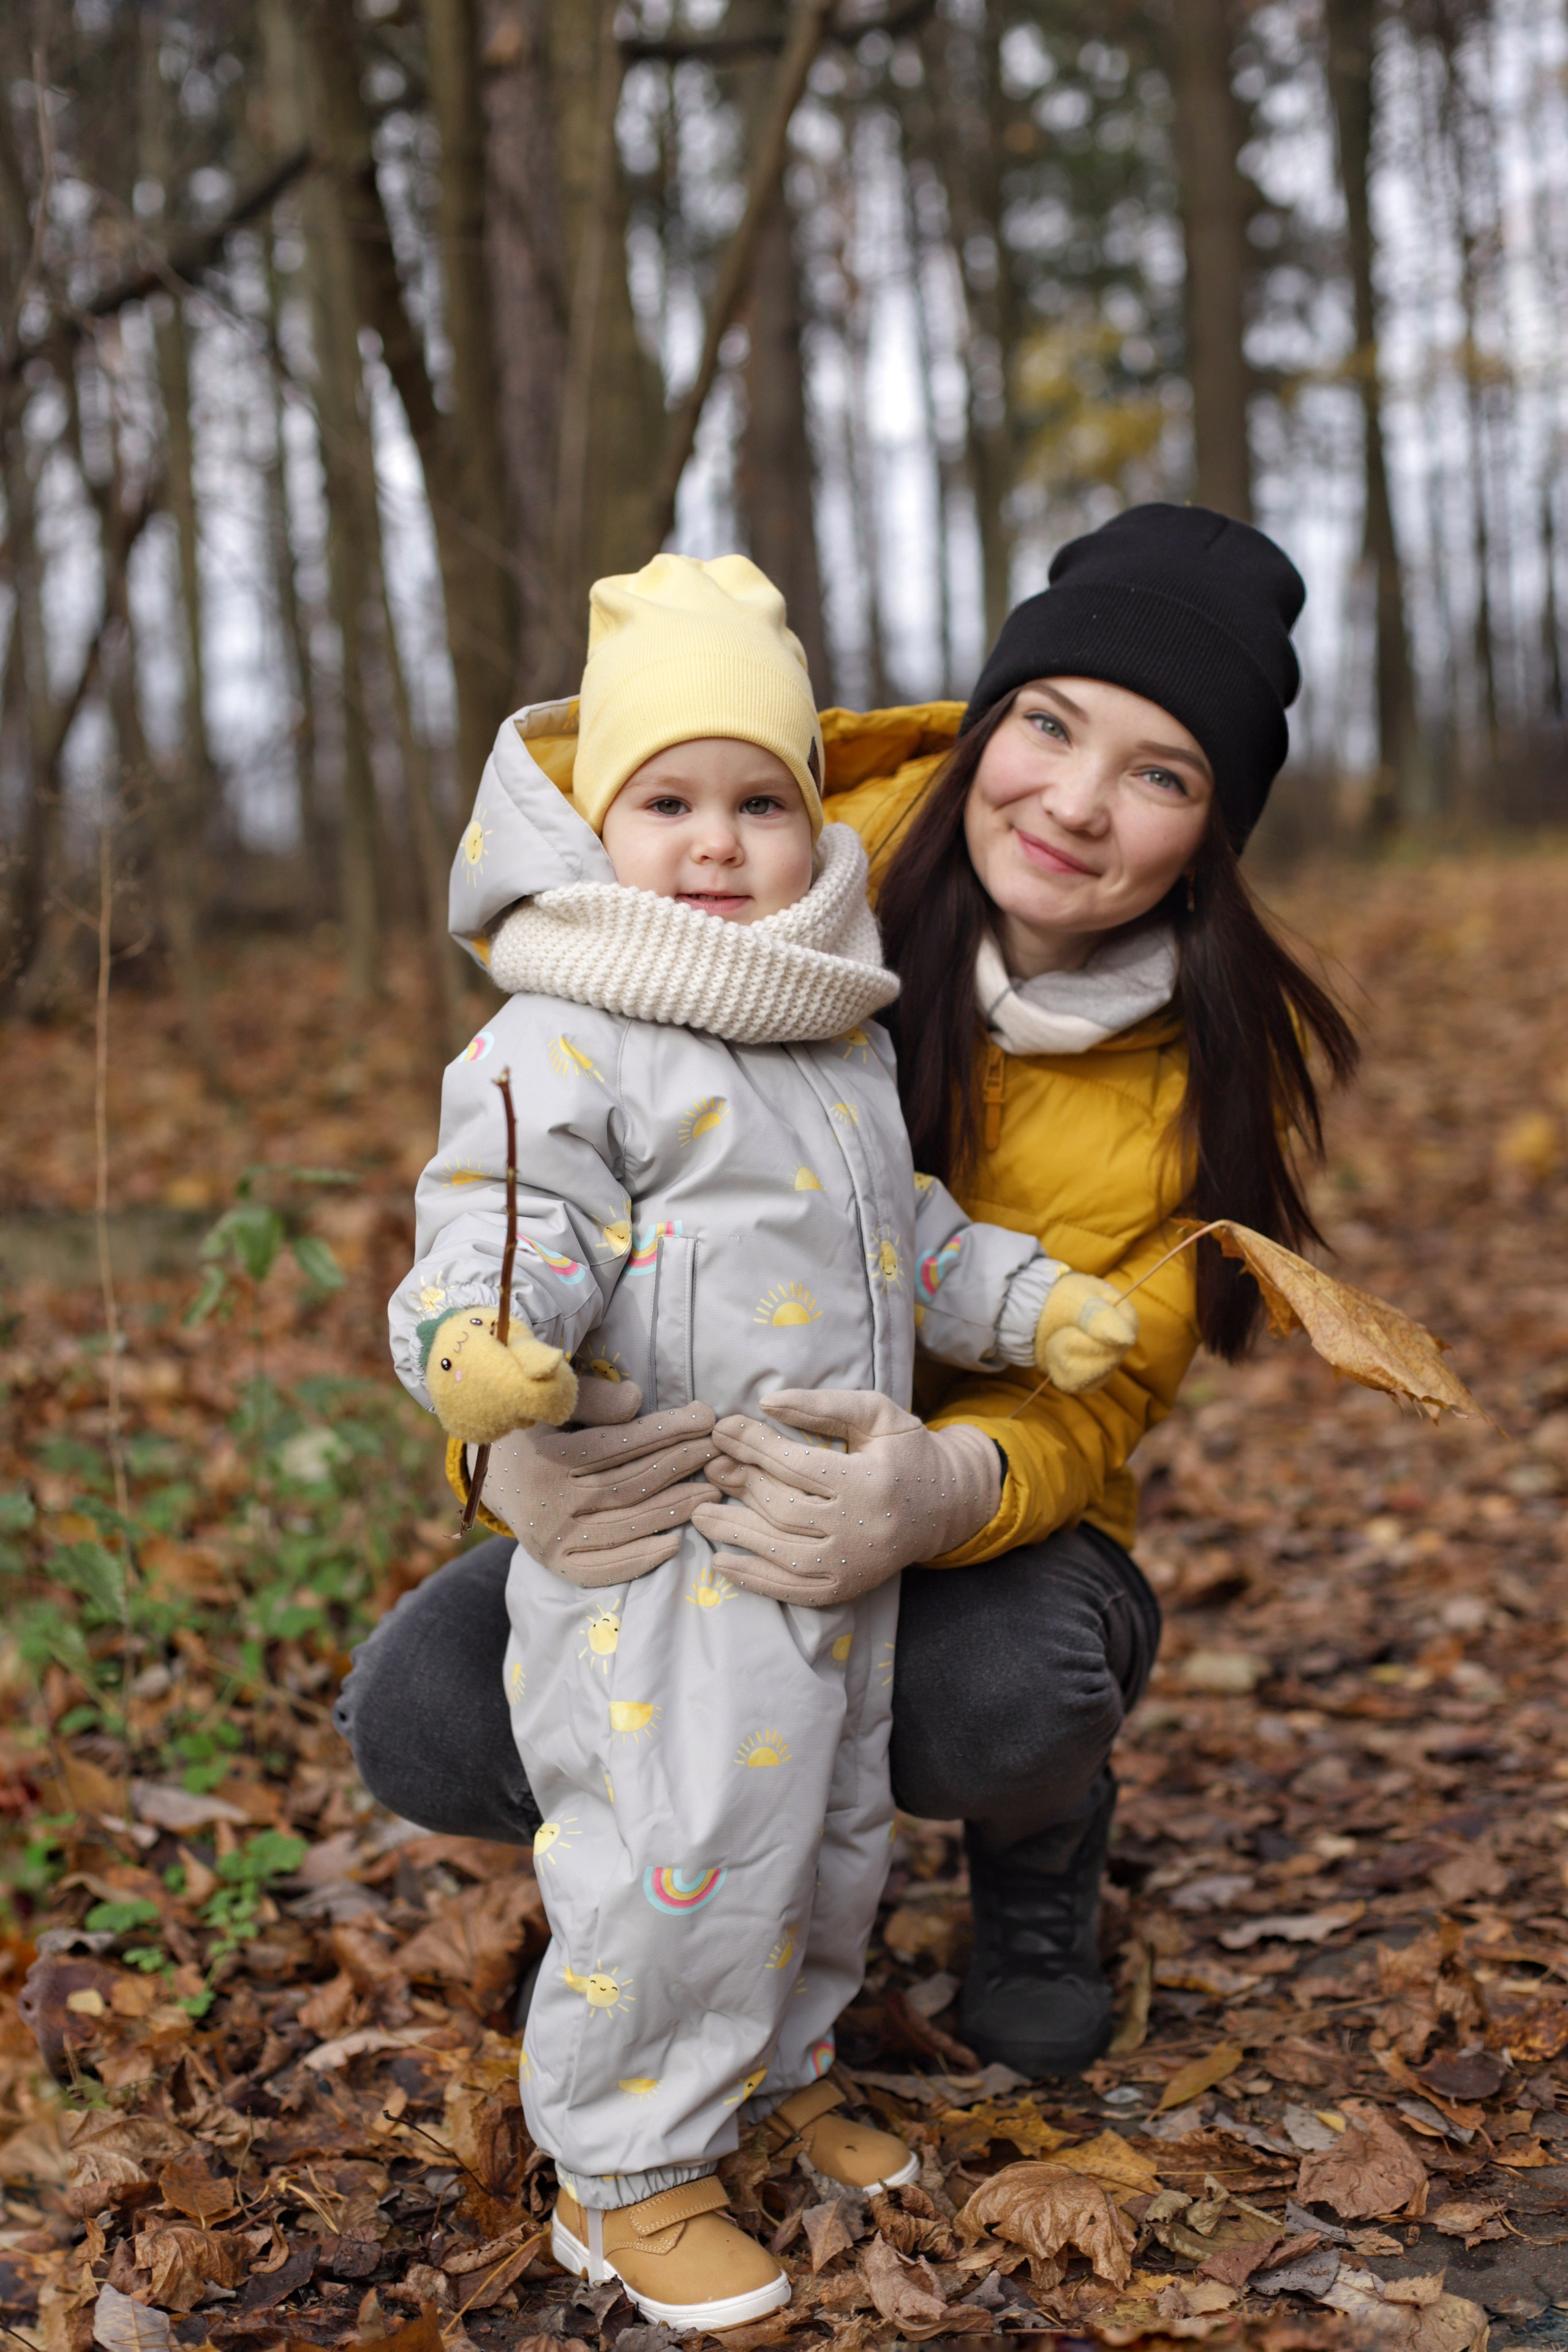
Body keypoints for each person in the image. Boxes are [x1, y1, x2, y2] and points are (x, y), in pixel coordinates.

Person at [339, 502, 1353, 2117]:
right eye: (1051, 724)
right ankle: (658, 1900)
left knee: (1014, 1698)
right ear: (991, 716)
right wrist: (502, 1456)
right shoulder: (780, 856)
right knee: (422, 1712)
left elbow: (1104, 1379)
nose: (1078, 806)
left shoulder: (1198, 1072)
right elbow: (533, 1180)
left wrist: (947, 1488)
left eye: (1161, 774)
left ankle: (1036, 1853)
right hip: (696, 1478)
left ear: (1214, 830)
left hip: (985, 1537)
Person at [382, 552, 1139, 2335]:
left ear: (814, 825)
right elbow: (505, 1220)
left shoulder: (832, 1030)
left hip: (827, 1548)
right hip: (662, 1553)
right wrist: (489, 1365)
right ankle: (624, 2166)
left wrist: (1032, 1308)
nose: (717, 842)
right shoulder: (564, 1030)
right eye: (668, 799)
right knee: (672, 1849)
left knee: (824, 1832)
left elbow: (912, 1232)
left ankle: (776, 2071)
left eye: (759, 802)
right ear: (593, 821)